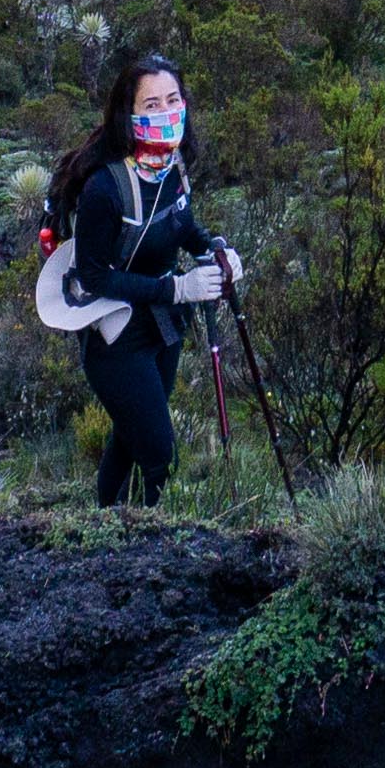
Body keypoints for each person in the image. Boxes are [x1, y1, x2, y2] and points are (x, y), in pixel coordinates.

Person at [49, 42, 235, 506]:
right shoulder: (104, 189)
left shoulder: (171, 166)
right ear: (128, 116)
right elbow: (93, 278)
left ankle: (105, 525)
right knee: (159, 454)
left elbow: (180, 222)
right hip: (115, 338)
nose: (167, 112)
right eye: (152, 105)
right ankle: (149, 545)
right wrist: (178, 288)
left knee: (129, 440)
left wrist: (214, 248)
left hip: (163, 329)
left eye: (173, 101)